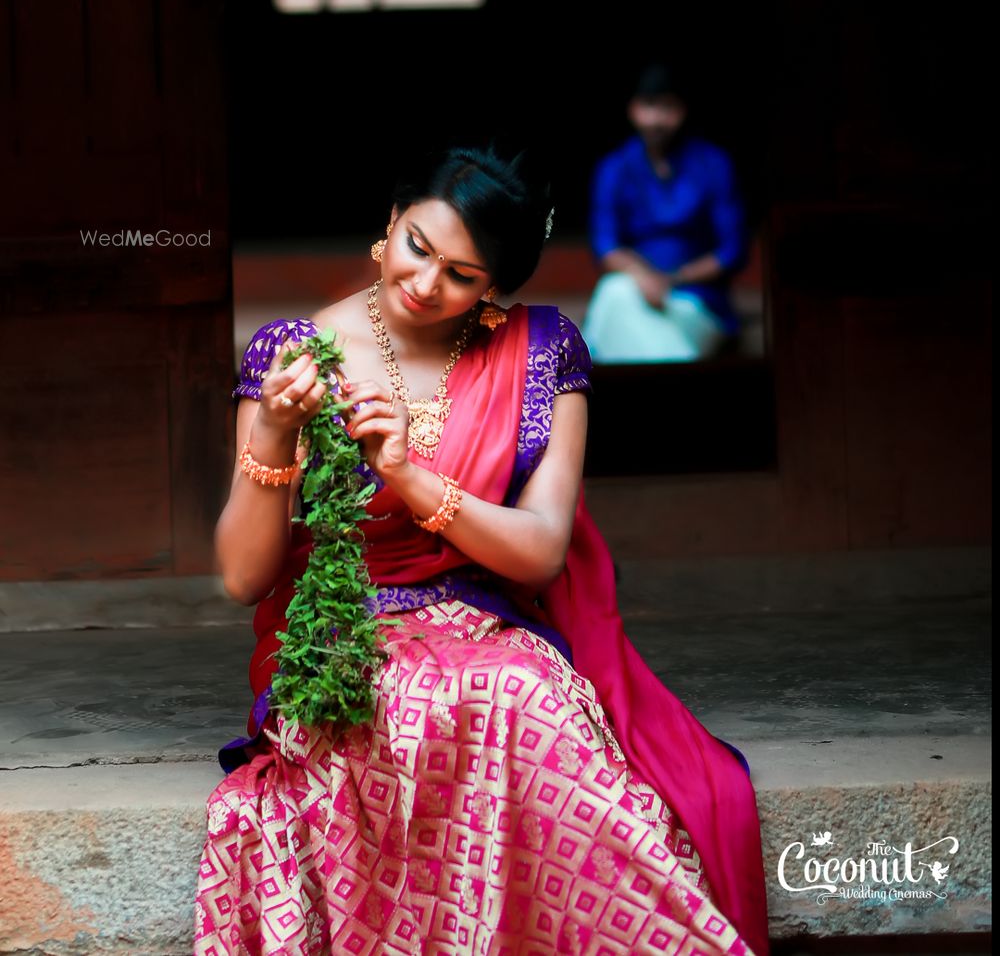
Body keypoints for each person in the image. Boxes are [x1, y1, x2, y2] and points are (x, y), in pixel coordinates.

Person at [194, 145, 769, 956]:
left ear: (494, 288)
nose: (426, 284)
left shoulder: (542, 352)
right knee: (401, 712)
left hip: (489, 618)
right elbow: (242, 575)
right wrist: (275, 432)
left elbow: (539, 551)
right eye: (419, 247)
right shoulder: (293, 352)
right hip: (339, 633)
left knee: (520, 699)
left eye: (462, 276)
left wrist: (406, 475)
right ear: (391, 222)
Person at [581, 65, 749, 363]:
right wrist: (644, 278)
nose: (657, 119)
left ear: (682, 111)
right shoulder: (615, 168)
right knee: (615, 291)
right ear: (633, 110)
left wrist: (671, 280)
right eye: (649, 107)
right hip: (635, 294)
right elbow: (605, 246)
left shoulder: (713, 164)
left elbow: (732, 251)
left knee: (610, 306)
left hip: (697, 303)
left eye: (667, 108)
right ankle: (679, 365)